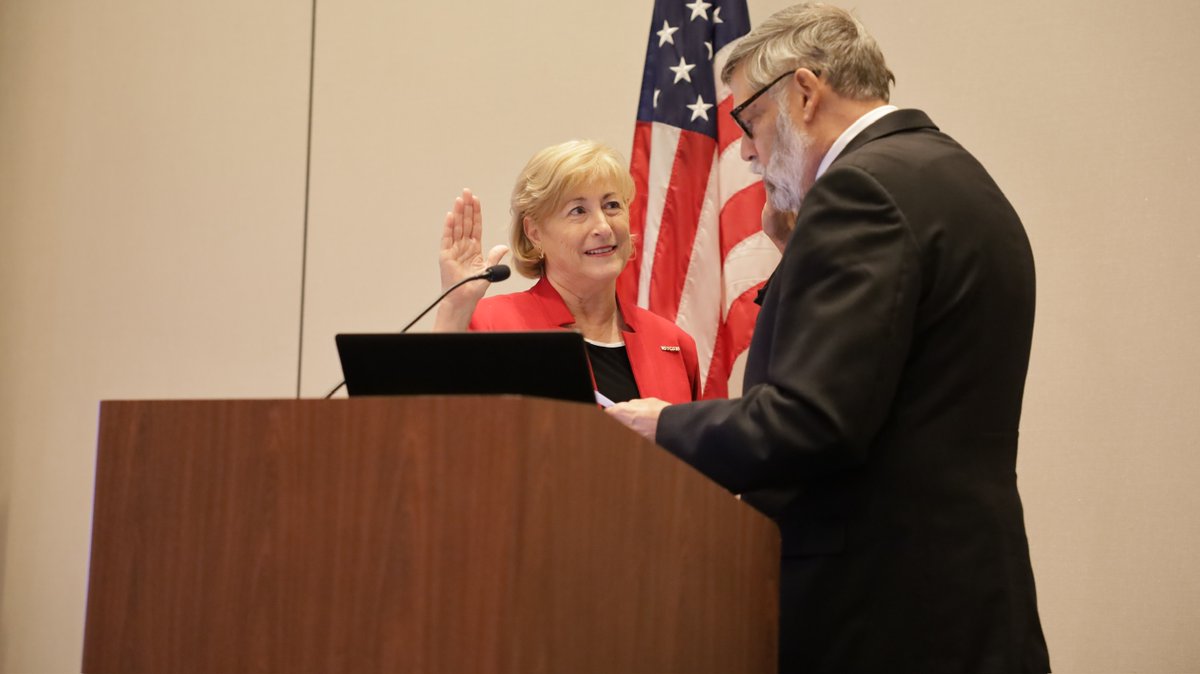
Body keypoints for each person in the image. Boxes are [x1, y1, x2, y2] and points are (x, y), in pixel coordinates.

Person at [607, 4, 1051, 672]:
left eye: (747, 120)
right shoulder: (957, 179)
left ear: (806, 93)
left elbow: (816, 420)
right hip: (963, 600)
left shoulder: (859, 193)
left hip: (881, 615)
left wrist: (665, 426)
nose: (749, 153)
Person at [433, 139, 701, 404]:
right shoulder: (491, 326)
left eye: (612, 206)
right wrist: (454, 308)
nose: (604, 227)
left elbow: (698, 446)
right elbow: (432, 425)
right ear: (534, 232)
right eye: (578, 210)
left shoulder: (673, 343)